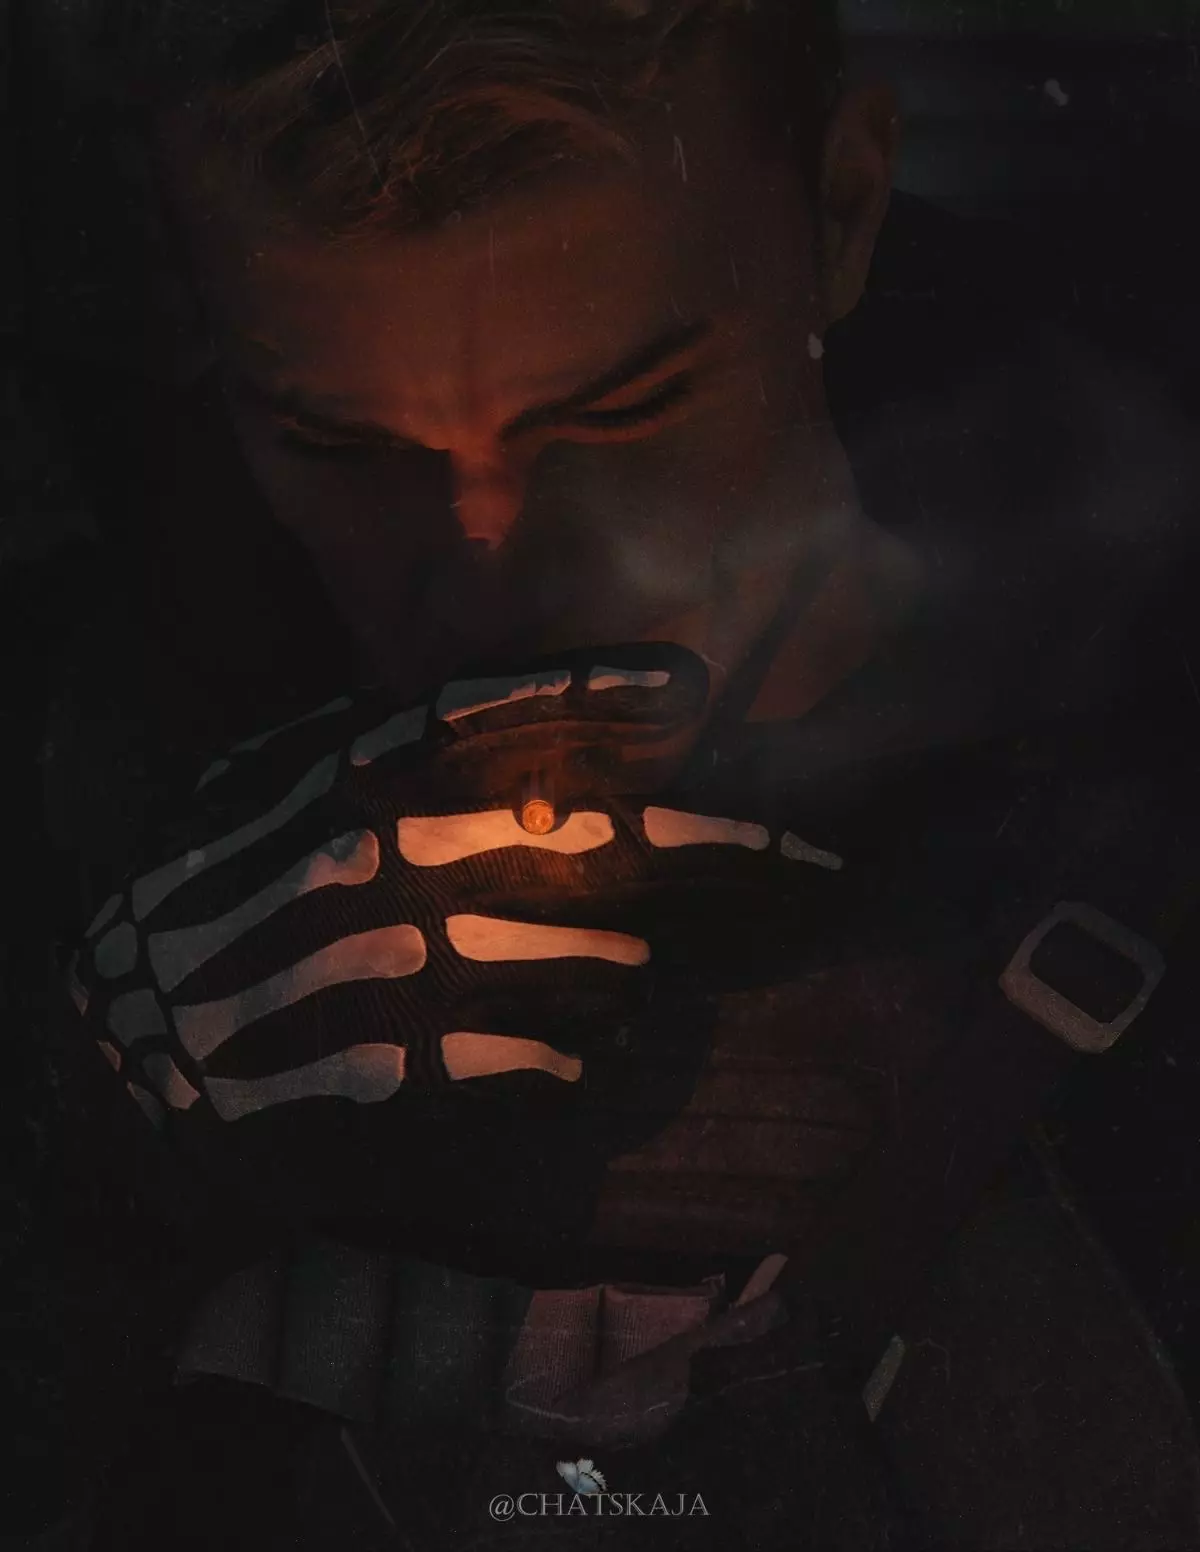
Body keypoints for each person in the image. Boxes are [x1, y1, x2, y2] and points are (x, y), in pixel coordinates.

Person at [6, 1, 1200, 1547]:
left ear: (843, 209)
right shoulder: (83, 755)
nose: (489, 582)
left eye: (624, 410)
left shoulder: (1137, 756)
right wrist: (93, 1117)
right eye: (339, 442)